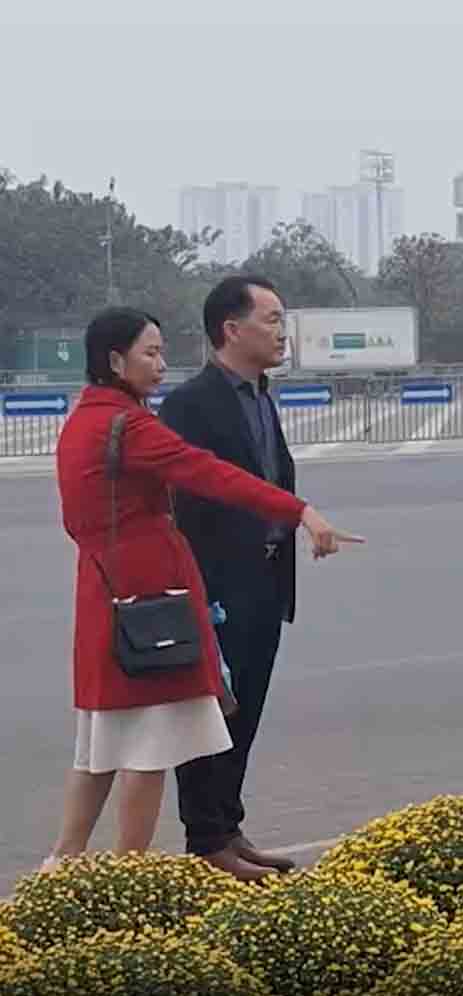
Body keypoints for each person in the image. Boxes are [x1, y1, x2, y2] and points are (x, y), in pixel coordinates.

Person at [43, 307, 355, 873]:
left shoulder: (84, 420)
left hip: (105, 592)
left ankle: (62, 866)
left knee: (100, 746)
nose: (162, 365)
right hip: (149, 602)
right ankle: (131, 880)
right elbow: (208, 473)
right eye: (150, 354)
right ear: (115, 361)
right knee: (147, 748)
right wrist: (299, 510)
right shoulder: (129, 426)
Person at [159, 275, 356, 881]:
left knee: (246, 713)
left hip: (267, 581)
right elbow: (190, 497)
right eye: (272, 319)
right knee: (210, 714)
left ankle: (228, 827)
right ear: (231, 329)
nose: (282, 331)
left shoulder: (260, 396)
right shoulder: (191, 405)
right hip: (217, 583)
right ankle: (206, 840)